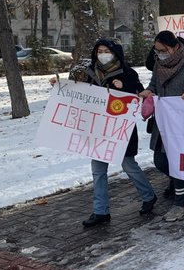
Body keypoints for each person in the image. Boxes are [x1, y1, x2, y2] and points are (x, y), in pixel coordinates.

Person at [52, 39, 157, 227]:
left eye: (106, 51)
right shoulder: (89, 72)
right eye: (99, 51)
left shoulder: (128, 73)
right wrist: (60, 86)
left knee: (128, 165)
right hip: (97, 130)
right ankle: (100, 211)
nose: (102, 54)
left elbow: (139, 96)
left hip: (120, 129)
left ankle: (148, 196)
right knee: (98, 171)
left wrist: (122, 88)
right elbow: (77, 91)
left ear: (115, 53)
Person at [139, 31, 184, 222]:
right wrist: (148, 91)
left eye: (163, 50)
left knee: (178, 163)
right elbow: (154, 84)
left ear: (176, 47)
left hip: (182, 126)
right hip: (162, 123)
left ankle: (180, 204)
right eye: (157, 50)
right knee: (160, 161)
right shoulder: (158, 64)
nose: (160, 53)